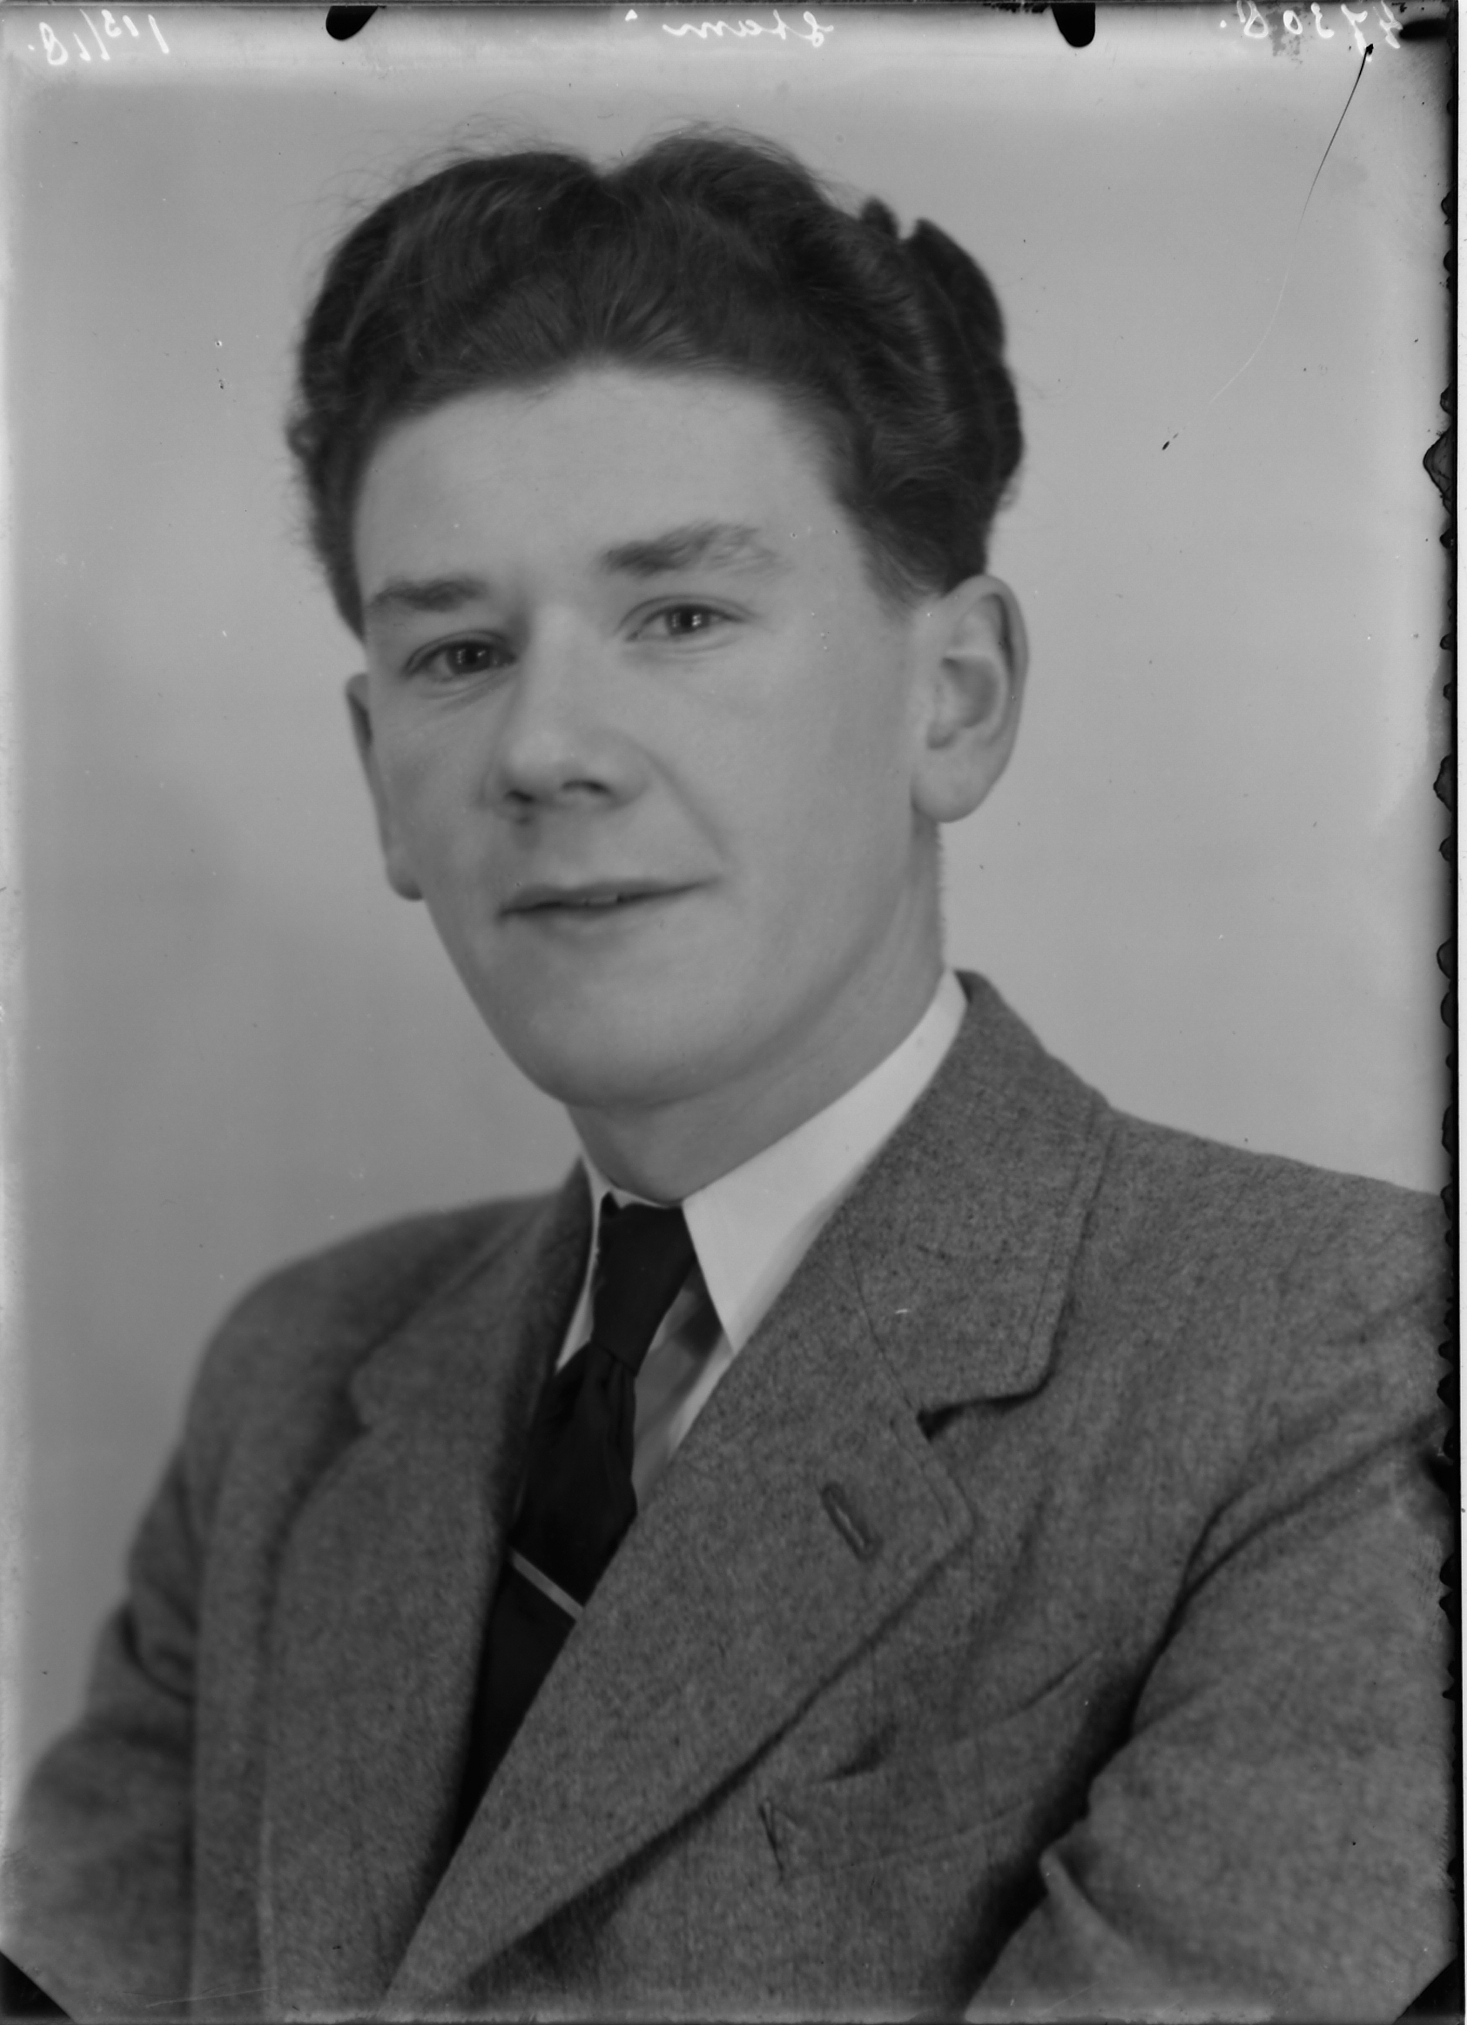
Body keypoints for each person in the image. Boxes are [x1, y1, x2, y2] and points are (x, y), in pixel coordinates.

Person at [1, 129, 1451, 2022]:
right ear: (381, 785)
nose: (544, 747)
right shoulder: (291, 1383)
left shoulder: (1355, 1362)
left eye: (679, 615)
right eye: (457, 650)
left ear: (956, 700)